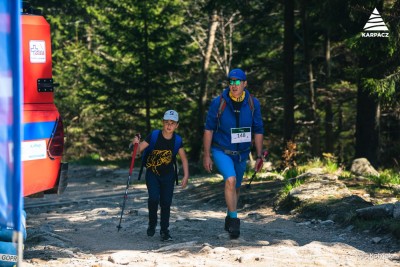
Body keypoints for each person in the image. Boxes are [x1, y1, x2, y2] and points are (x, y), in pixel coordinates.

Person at [202, 68, 264, 239]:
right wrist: (206, 155)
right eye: (231, 81)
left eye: (238, 82)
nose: (234, 85)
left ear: (245, 84)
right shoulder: (219, 102)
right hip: (221, 150)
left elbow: (258, 130)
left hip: (242, 153)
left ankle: (229, 215)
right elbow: (208, 129)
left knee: (236, 187)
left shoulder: (252, 103)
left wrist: (259, 155)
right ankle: (235, 222)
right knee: (230, 180)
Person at [133, 110, 189, 241]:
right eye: (166, 122)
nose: (169, 125)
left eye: (172, 123)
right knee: (153, 198)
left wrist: (186, 175)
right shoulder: (154, 136)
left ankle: (164, 231)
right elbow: (138, 151)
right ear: (163, 123)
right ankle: (152, 224)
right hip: (152, 173)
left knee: (166, 202)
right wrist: (135, 144)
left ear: (177, 125)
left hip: (168, 176)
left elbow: (184, 159)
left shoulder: (177, 140)